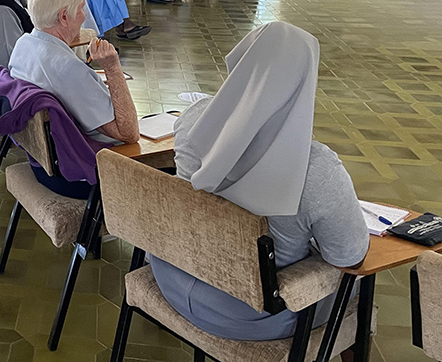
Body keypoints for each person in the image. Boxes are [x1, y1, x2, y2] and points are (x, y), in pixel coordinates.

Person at [148, 22, 369, 342]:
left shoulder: (193, 119)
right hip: (251, 315)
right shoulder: (316, 168)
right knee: (364, 282)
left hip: (172, 275)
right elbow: (349, 256)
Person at [8, 0, 140, 198]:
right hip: (82, 173)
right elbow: (128, 133)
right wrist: (113, 68)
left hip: (43, 162)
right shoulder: (68, 68)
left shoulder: (24, 44)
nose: (84, 16)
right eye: (81, 8)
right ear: (64, 17)